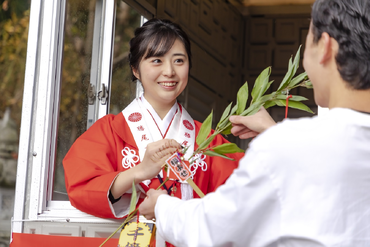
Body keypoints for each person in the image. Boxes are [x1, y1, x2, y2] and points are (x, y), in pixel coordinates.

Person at [138, 0, 370, 246]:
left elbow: (214, 229)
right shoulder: (295, 144)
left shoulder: (283, 145)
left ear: (324, 47)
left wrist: (161, 206)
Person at [62, 19, 246, 224]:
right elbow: (82, 188)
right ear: (135, 69)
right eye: (157, 60)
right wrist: (140, 171)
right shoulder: (109, 131)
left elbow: (248, 197)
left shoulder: (209, 141)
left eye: (179, 61)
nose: (169, 71)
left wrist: (271, 132)